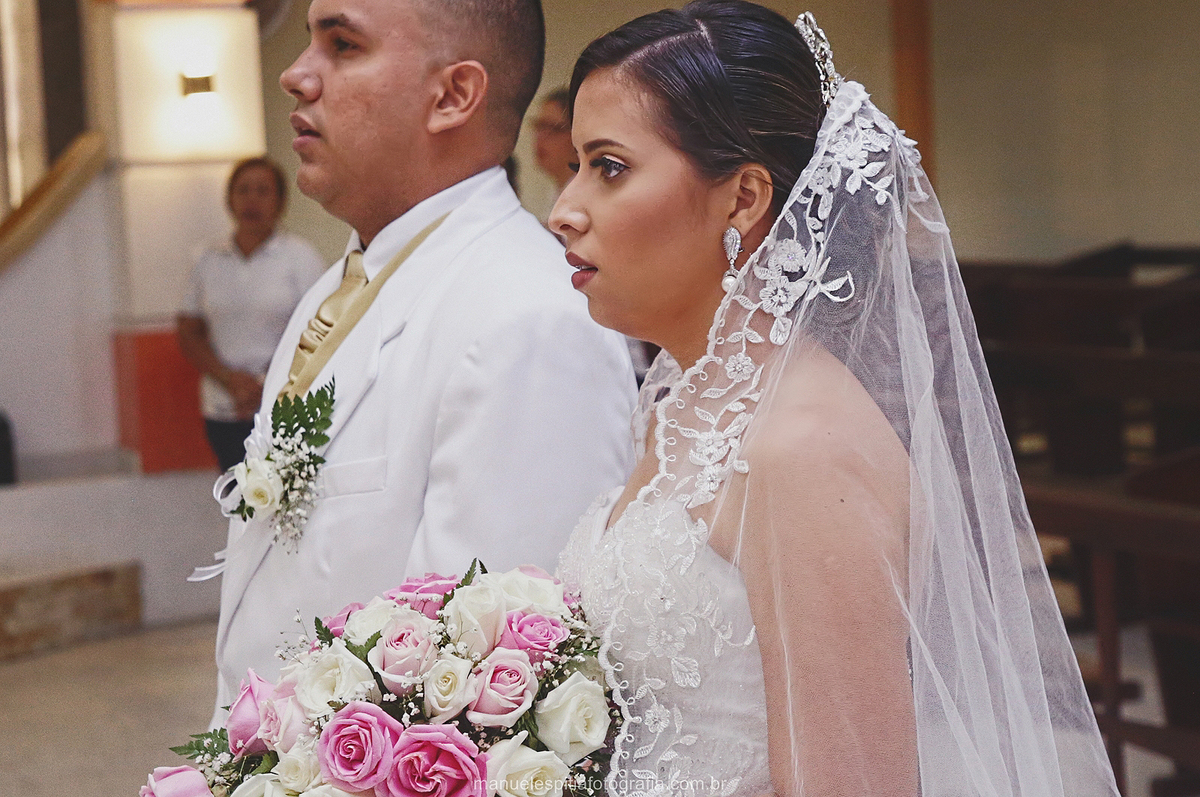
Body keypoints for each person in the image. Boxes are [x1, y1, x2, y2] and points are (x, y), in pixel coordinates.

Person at [553, 3, 1119, 795]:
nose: (563, 209)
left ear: (743, 199)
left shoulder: (802, 449)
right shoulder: (682, 399)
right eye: (574, 165)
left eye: (609, 166)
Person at [209, 0, 636, 719]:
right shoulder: (337, 285)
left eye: (343, 44)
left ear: (452, 96)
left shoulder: (527, 317)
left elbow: (484, 709)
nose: (296, 75)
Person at [177, 157, 325, 471]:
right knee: (236, 491)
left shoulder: (301, 257)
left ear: (281, 202)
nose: (251, 200)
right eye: (243, 190)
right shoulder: (207, 259)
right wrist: (230, 380)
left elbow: (320, 329)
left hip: (285, 403)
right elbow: (188, 330)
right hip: (222, 404)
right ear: (229, 200)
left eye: (262, 191)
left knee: (284, 492)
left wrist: (265, 382)